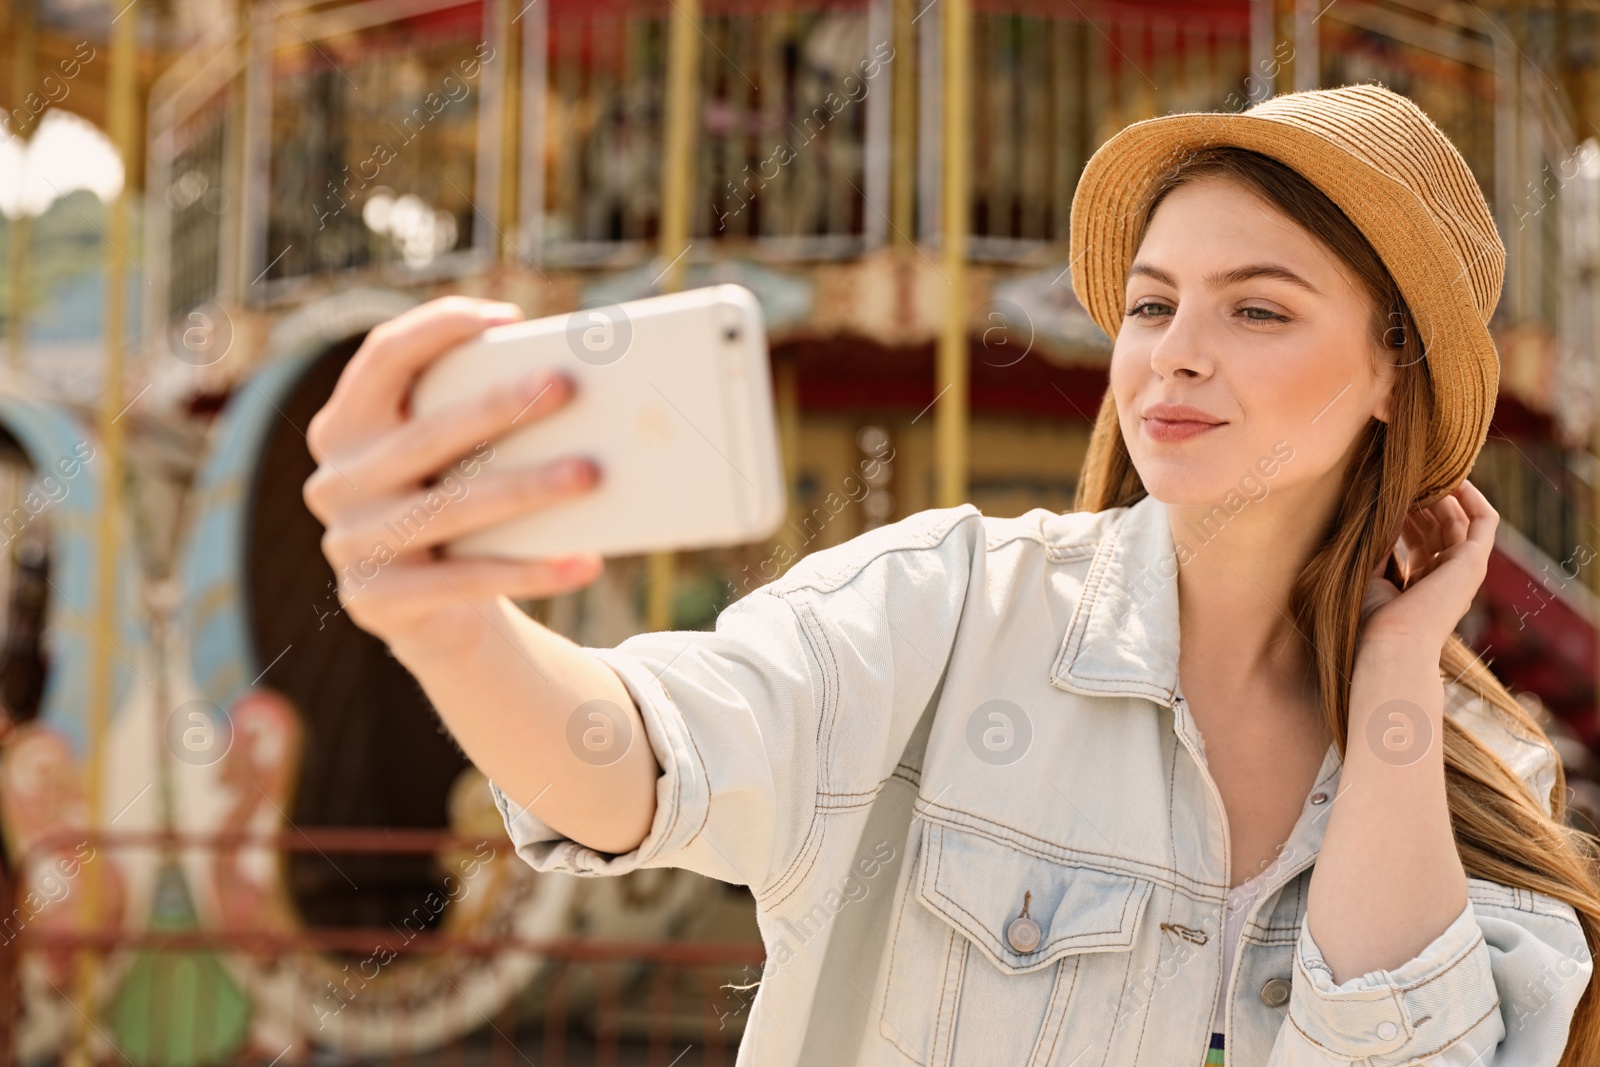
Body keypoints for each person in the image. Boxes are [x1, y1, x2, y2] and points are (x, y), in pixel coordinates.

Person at [304, 83, 1600, 1066]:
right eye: (1152, 306)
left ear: (1393, 374)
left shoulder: (1477, 758)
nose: (1175, 355)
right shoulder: (951, 607)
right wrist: (453, 628)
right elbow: (645, 755)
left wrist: (1389, 678)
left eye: (1256, 309)